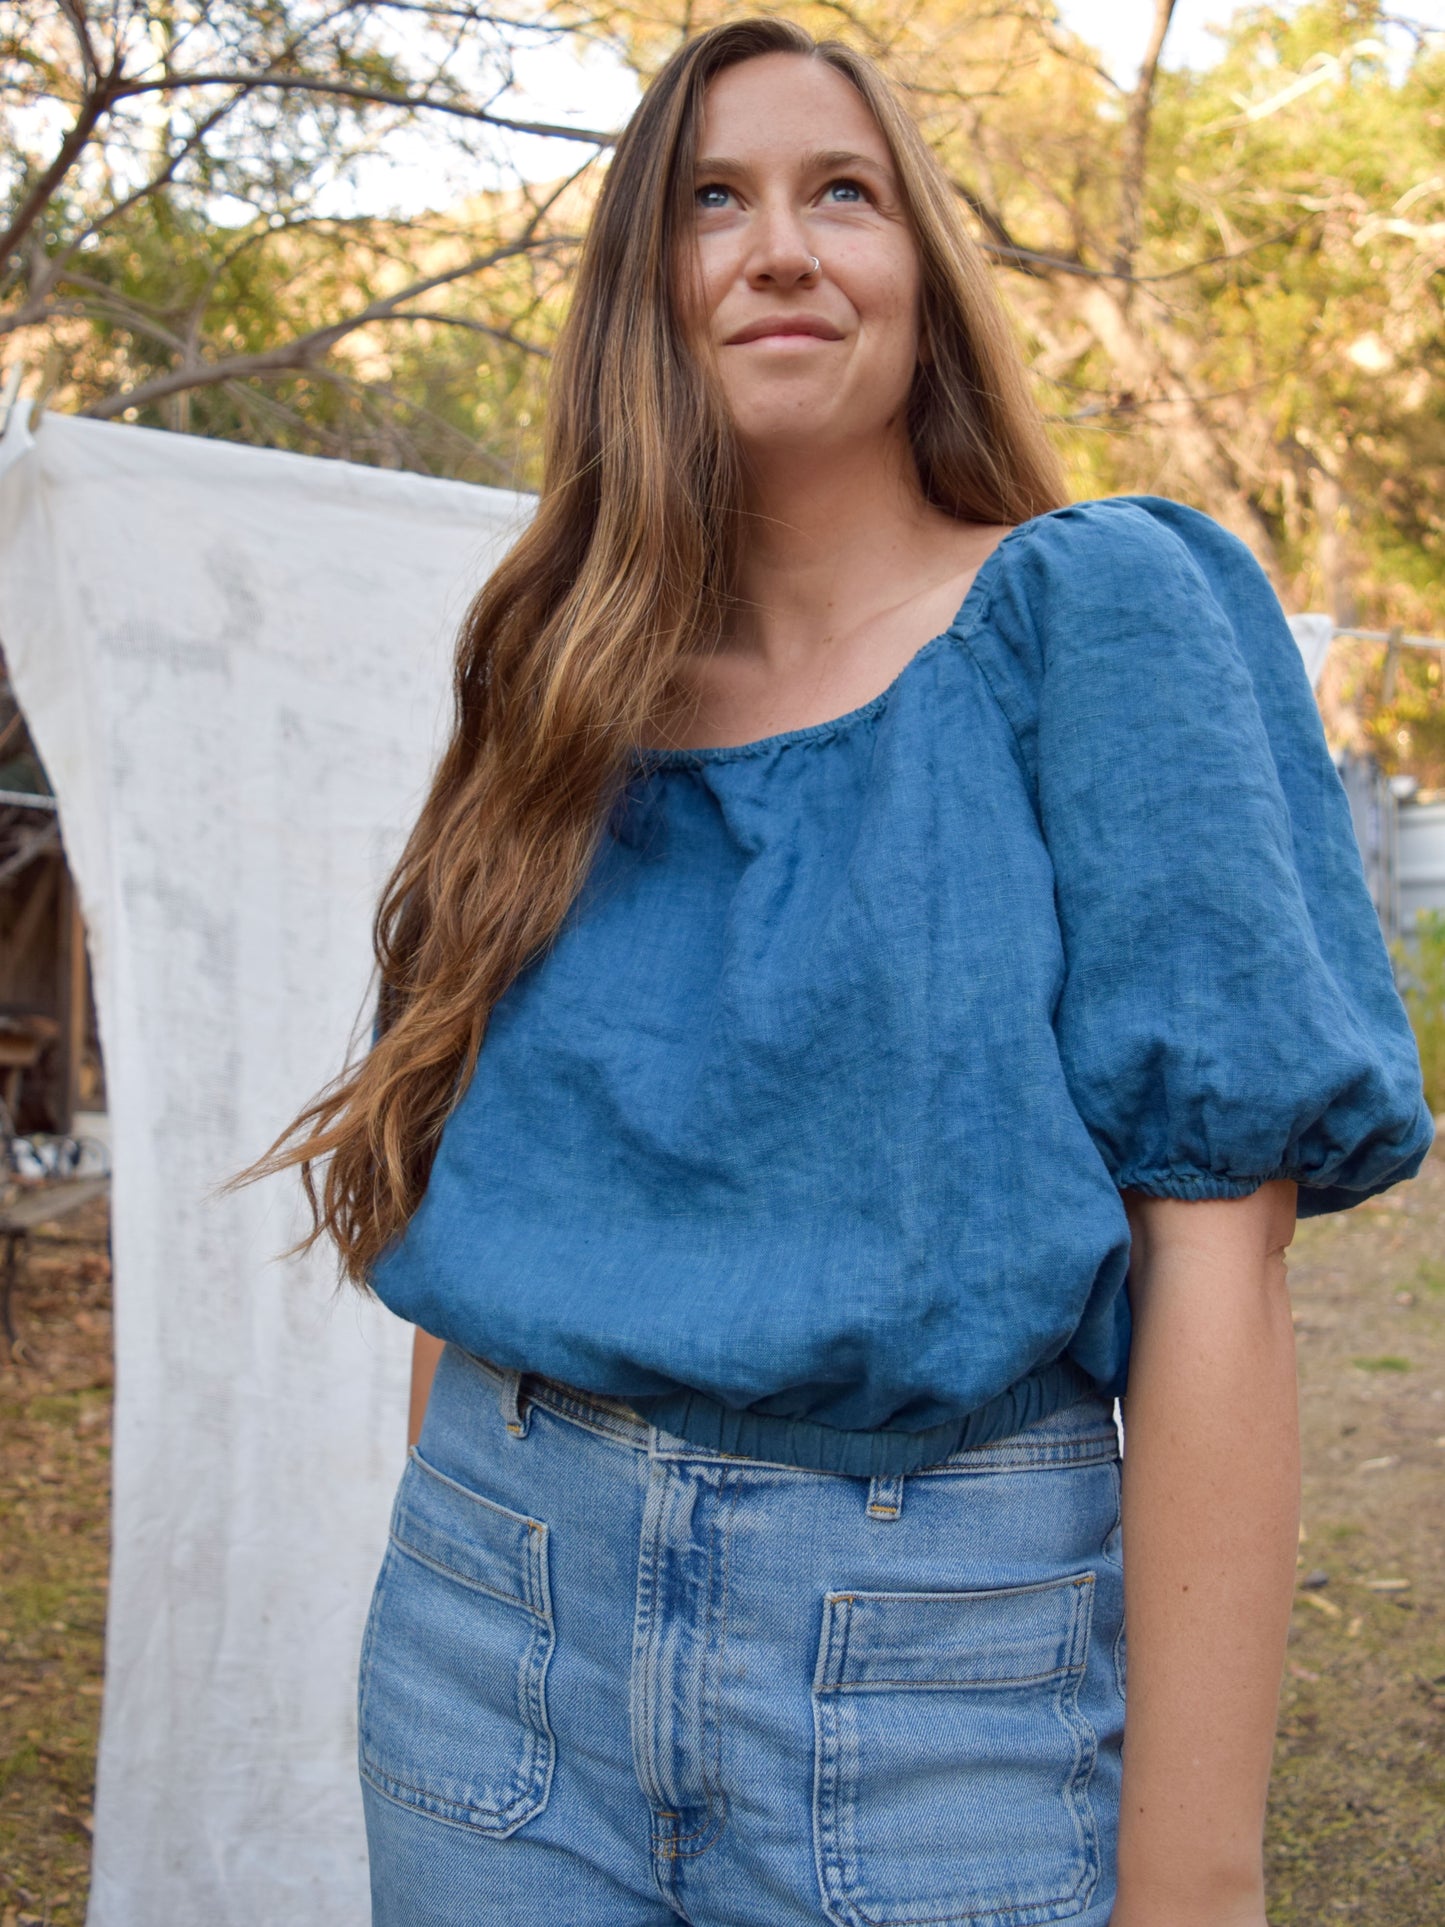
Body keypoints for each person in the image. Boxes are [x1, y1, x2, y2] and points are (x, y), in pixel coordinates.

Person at [256, 18, 1433, 1926]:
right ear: (647, 287)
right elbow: (486, 1190)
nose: (778, 247)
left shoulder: (1097, 619)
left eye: (842, 194)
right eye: (711, 201)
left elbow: (1221, 1253)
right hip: (495, 1621)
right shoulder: (558, 674)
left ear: (921, 281)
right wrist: (476, 1548)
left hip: (932, 1683)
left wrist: (1194, 1880)